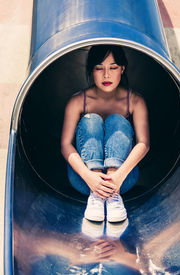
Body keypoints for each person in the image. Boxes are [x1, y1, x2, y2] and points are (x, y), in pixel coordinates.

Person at [61, 45, 149, 222]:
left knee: (116, 121)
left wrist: (118, 176)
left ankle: (112, 197)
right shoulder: (78, 101)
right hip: (84, 179)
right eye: (99, 68)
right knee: (91, 120)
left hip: (123, 179)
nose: (106, 75)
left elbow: (144, 143)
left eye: (113, 67)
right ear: (91, 71)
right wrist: (89, 177)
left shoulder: (135, 101)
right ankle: (96, 197)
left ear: (122, 69)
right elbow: (65, 145)